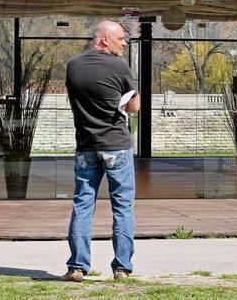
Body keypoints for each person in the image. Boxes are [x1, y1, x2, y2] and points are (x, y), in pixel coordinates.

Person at [62, 21, 141, 282]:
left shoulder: (73, 65)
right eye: (120, 38)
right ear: (104, 40)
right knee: (123, 206)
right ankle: (122, 268)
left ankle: (77, 267)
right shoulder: (119, 66)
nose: (124, 43)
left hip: (86, 147)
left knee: (83, 205)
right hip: (116, 146)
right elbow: (134, 107)